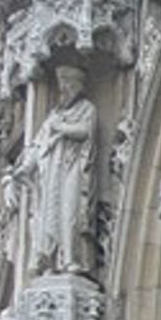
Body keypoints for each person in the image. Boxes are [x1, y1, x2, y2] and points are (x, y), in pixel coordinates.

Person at [18, 65, 97, 276]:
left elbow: (85, 130)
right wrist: (26, 167)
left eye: (68, 84)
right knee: (47, 215)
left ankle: (71, 258)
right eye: (62, 85)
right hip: (51, 174)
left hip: (72, 169)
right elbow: (37, 144)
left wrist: (61, 129)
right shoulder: (53, 115)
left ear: (77, 86)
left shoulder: (86, 109)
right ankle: (49, 259)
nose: (63, 90)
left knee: (70, 212)